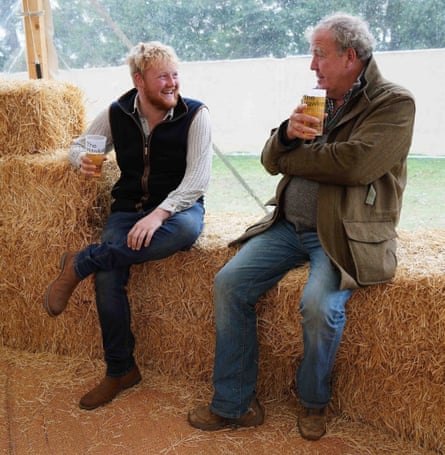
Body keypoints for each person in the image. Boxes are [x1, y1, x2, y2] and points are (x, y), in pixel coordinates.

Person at [188, 13, 415, 441]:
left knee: (318, 306)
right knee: (228, 283)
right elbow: (270, 158)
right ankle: (234, 404)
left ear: (350, 56)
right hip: (287, 226)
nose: (312, 66)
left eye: (319, 55)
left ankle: (313, 402)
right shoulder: (322, 95)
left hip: (340, 234)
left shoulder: (393, 102)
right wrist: (288, 138)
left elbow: (355, 165)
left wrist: (290, 158)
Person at [44, 41, 212, 410]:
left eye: (175, 74)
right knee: (110, 272)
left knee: (183, 232)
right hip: (127, 209)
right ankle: (120, 369)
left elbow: (198, 180)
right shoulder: (117, 112)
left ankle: (80, 262)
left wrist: (160, 214)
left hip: (178, 209)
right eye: (162, 77)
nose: (172, 83)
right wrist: (80, 161)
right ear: (139, 80)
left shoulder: (196, 115)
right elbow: (79, 147)